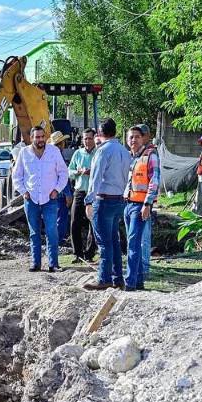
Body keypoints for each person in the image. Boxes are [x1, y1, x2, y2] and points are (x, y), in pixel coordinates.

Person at [83, 118, 133, 290]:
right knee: (113, 241)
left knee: (104, 243)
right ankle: (118, 277)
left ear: (99, 132)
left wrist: (89, 200)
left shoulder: (103, 151)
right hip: (119, 199)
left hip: (103, 199)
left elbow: (95, 178)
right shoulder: (124, 151)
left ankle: (104, 278)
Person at [11, 125, 69, 272]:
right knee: (34, 232)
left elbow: (63, 173)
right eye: (37, 137)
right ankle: (35, 263)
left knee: (52, 231)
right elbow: (16, 176)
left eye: (42, 136)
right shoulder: (24, 153)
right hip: (31, 199)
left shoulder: (54, 152)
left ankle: (53, 264)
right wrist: (23, 191)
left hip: (50, 199)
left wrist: (57, 189)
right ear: (31, 138)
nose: (40, 139)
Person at [123, 124, 161, 291]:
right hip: (129, 204)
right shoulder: (134, 157)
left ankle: (130, 282)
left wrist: (147, 203)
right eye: (130, 137)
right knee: (133, 244)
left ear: (143, 138)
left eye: (136, 137)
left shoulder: (150, 155)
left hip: (140, 206)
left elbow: (155, 181)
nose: (133, 140)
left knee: (133, 244)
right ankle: (138, 281)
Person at [68, 128, 98, 262]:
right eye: (85, 138)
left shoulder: (98, 153)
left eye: (89, 138)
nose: (87, 141)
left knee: (94, 223)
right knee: (75, 222)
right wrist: (78, 171)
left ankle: (90, 253)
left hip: (94, 192)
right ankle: (77, 254)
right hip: (80, 191)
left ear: (94, 138)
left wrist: (92, 172)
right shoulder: (77, 153)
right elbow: (69, 171)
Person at [49, 131, 72, 246]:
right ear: (61, 143)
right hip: (60, 194)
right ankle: (58, 241)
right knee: (61, 218)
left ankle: (54, 239)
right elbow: (64, 178)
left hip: (51, 192)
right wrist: (68, 194)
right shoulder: (59, 156)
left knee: (54, 218)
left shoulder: (49, 155)